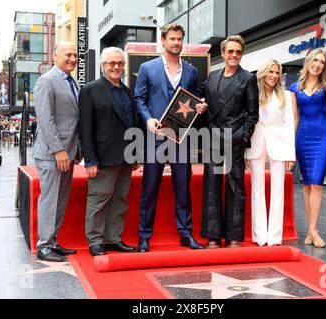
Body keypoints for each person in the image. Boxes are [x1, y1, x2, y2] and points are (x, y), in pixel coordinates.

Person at [134, 23, 207, 252]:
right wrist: (147, 119)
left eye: (179, 39)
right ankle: (144, 236)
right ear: (163, 41)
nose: (176, 43)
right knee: (150, 188)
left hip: (180, 138)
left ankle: (186, 234)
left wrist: (200, 108)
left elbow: (193, 99)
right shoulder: (147, 68)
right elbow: (139, 99)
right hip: (155, 136)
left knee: (183, 188)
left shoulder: (191, 71)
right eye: (172, 39)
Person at [200, 35, 259, 248]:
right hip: (214, 138)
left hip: (235, 139)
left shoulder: (248, 79)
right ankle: (213, 236)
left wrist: (243, 136)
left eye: (238, 52)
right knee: (212, 186)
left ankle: (234, 235)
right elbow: (200, 103)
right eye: (230, 51)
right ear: (223, 53)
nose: (234, 55)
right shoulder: (212, 78)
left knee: (235, 185)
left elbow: (253, 113)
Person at [78, 47, 138, 256]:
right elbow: (85, 127)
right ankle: (95, 241)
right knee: (99, 199)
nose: (116, 67)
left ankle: (113, 238)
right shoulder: (90, 90)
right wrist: (90, 159)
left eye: (119, 63)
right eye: (111, 63)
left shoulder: (127, 90)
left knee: (120, 199)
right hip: (102, 157)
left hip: (126, 157)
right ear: (102, 66)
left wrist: (136, 154)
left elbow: (133, 123)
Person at [33, 41, 81, 262]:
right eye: (67, 54)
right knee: (50, 199)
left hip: (68, 153)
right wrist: (59, 150)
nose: (72, 58)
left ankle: (52, 240)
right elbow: (45, 119)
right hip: (53, 154)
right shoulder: (46, 81)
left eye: (75, 54)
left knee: (60, 199)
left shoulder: (73, 82)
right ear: (55, 56)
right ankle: (43, 246)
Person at [289, 49, 326, 248]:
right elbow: (295, 117)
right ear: (308, 61)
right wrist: (290, 144)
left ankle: (314, 231)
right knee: (308, 184)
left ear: (325, 67)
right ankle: (311, 230)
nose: (318, 64)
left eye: (322, 62)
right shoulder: (294, 87)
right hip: (303, 137)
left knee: (317, 183)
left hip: (323, 136)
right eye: (315, 60)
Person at [245, 59, 295, 246]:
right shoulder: (252, 93)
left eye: (277, 72)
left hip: (279, 145)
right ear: (263, 73)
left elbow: (289, 124)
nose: (273, 76)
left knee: (278, 190)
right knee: (257, 189)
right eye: (270, 72)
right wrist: (244, 152)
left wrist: (291, 153)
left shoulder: (286, 96)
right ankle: (259, 235)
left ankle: (274, 236)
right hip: (256, 143)